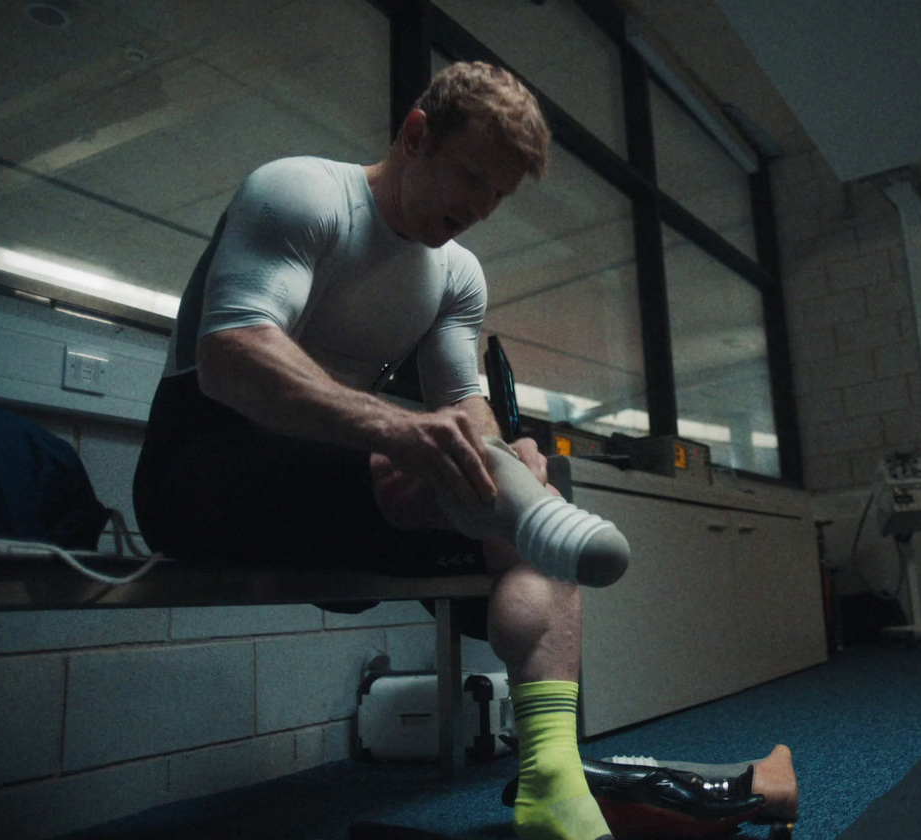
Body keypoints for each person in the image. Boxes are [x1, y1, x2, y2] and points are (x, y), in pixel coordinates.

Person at [133, 61, 625, 840]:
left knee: (532, 499)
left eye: (496, 197)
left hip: (337, 478)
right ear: (417, 134)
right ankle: (524, 519)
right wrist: (403, 431)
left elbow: (464, 404)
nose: (477, 209)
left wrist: (503, 456)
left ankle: (551, 782)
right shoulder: (303, 193)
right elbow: (232, 353)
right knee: (459, 483)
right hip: (204, 466)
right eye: (469, 178)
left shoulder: (457, 272)